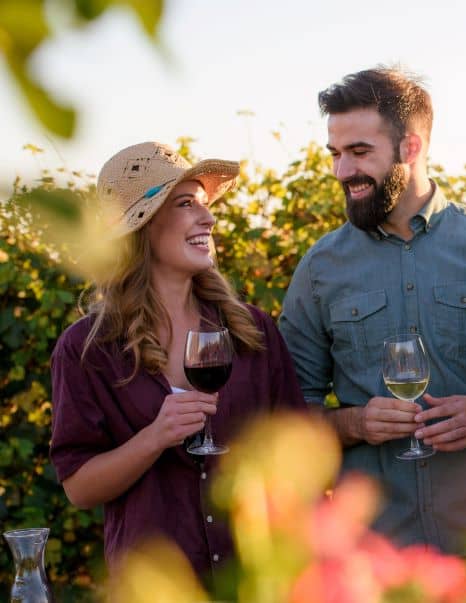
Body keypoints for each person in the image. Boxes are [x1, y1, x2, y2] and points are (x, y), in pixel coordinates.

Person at [278, 67, 466, 555]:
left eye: (360, 152)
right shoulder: (320, 267)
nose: (341, 171)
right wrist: (355, 425)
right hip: (374, 559)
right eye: (335, 154)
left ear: (410, 148)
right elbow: (288, 419)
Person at [49, 141, 307, 579]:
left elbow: (298, 448)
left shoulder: (253, 332)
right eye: (187, 204)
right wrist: (154, 438)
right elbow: (79, 488)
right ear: (142, 227)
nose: (208, 218)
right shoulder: (87, 349)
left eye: (206, 205)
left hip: (255, 580)